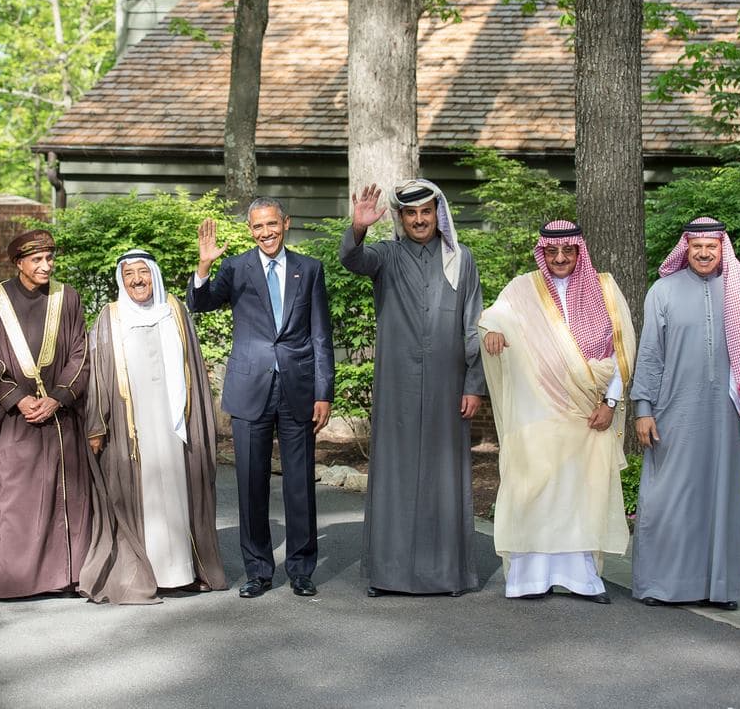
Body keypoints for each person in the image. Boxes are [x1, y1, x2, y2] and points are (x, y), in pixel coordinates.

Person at [340, 180, 485, 597]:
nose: (420, 220)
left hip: (448, 384)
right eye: (411, 213)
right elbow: (352, 258)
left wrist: (474, 384)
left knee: (444, 475)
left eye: (426, 211)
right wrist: (359, 227)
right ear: (401, 218)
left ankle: (447, 575)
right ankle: (390, 574)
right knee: (396, 474)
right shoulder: (385, 256)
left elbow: (473, 326)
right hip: (397, 385)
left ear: (438, 213)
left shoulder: (461, 260)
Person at [479, 221, 635, 604]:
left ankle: (582, 579)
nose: (561, 258)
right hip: (538, 415)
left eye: (568, 252)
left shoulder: (605, 290)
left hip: (589, 414)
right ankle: (530, 579)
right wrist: (492, 332)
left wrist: (610, 404)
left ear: (579, 252)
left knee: (583, 495)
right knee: (534, 491)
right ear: (543, 253)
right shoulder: (523, 287)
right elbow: (493, 316)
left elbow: (621, 355)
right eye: (552, 252)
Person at [187, 198, 334, 598]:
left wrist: (324, 392)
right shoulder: (236, 268)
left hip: (298, 389)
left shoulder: (310, 269)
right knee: (251, 485)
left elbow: (321, 336)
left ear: (286, 223)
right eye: (257, 227)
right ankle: (259, 570)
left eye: (272, 224)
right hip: (250, 388)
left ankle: (302, 569)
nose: (265, 232)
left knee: (299, 485)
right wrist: (204, 266)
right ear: (250, 229)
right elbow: (199, 304)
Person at [631, 217, 740, 611]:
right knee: (668, 495)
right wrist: (643, 408)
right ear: (687, 248)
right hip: (674, 410)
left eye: (712, 247)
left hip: (728, 413)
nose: (705, 253)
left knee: (721, 496)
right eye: (697, 247)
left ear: (722, 248)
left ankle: (720, 588)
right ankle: (662, 584)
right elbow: (650, 355)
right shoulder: (663, 291)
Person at [79, 250, 227, 603]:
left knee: (177, 491)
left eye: (143, 272)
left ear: (154, 276)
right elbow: (98, 376)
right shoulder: (110, 317)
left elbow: (194, 369)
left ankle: (182, 572)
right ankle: (144, 573)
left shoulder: (174, 311)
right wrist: (97, 424)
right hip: (132, 429)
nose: (136, 280)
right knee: (140, 495)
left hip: (176, 425)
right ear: (121, 280)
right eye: (129, 274)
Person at [0, 229, 91, 599]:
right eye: (36, 259)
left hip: (58, 417)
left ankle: (64, 578)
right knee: (15, 497)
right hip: (14, 419)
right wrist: (17, 398)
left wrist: (58, 397)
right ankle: (17, 580)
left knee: (63, 498)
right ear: (18, 262)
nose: (45, 266)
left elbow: (80, 354)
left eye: (50, 258)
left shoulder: (67, 297)